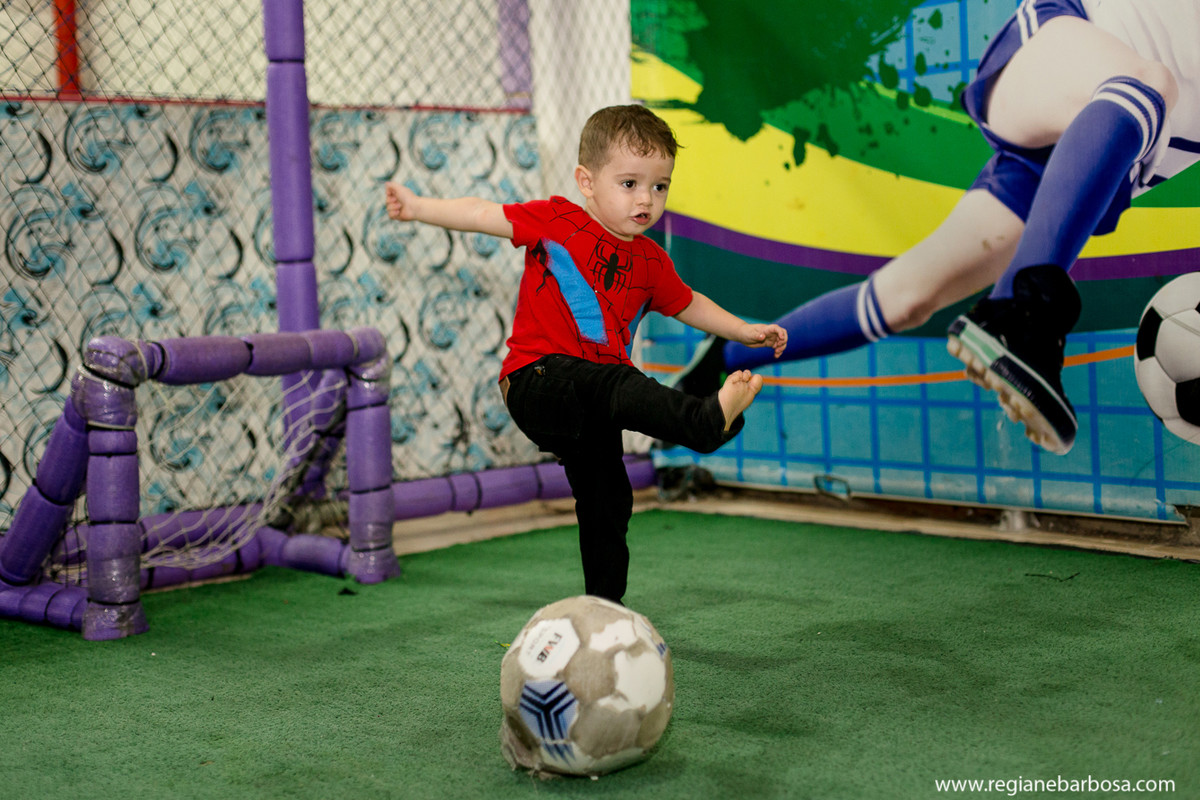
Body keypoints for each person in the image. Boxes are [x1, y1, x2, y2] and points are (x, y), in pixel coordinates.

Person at [675, 0, 1198, 455]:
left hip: (1094, 151)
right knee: (1148, 82)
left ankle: (721, 358)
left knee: (907, 298)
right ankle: (1019, 313)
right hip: (1059, 60)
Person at [384, 104, 787, 604]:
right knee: (618, 380)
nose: (647, 199)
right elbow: (482, 213)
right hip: (537, 380)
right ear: (587, 180)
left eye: (659, 186)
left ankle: (605, 610)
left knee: (608, 499)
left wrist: (743, 330)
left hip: (594, 402)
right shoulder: (557, 220)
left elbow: (688, 303)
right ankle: (703, 422)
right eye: (630, 184)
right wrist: (418, 206)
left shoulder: (652, 261)